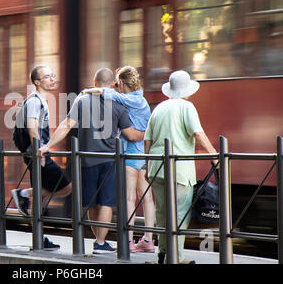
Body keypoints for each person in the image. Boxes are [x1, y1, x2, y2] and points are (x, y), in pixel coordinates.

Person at [38, 68, 145, 254]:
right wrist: (149, 133)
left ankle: (99, 240)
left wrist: (47, 145)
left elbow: (66, 125)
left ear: (95, 83)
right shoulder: (118, 104)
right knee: (106, 203)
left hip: (86, 160)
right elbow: (131, 135)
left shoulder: (82, 100)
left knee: (91, 203)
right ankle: (100, 243)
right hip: (109, 160)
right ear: (112, 84)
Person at [144, 70, 217, 264]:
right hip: (179, 170)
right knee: (180, 213)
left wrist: (146, 166)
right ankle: (176, 257)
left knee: (162, 212)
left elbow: (147, 140)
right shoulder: (187, 107)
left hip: (156, 168)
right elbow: (198, 134)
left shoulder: (159, 108)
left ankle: (162, 252)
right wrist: (215, 155)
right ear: (187, 90)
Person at [82, 65, 155, 253]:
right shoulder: (142, 100)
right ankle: (148, 240)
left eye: (116, 84)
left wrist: (88, 90)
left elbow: (105, 92)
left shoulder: (124, 98)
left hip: (130, 154)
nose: (115, 87)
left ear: (121, 83)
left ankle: (128, 242)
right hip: (144, 153)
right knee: (146, 197)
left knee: (129, 198)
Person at [11, 64, 72, 251]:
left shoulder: (40, 100)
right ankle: (24, 193)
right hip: (37, 153)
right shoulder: (35, 101)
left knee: (40, 195)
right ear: (37, 82)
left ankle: (40, 239)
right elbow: (32, 127)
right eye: (47, 77)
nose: (52, 79)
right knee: (66, 187)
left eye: (52, 75)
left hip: (36, 153)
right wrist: (39, 152)